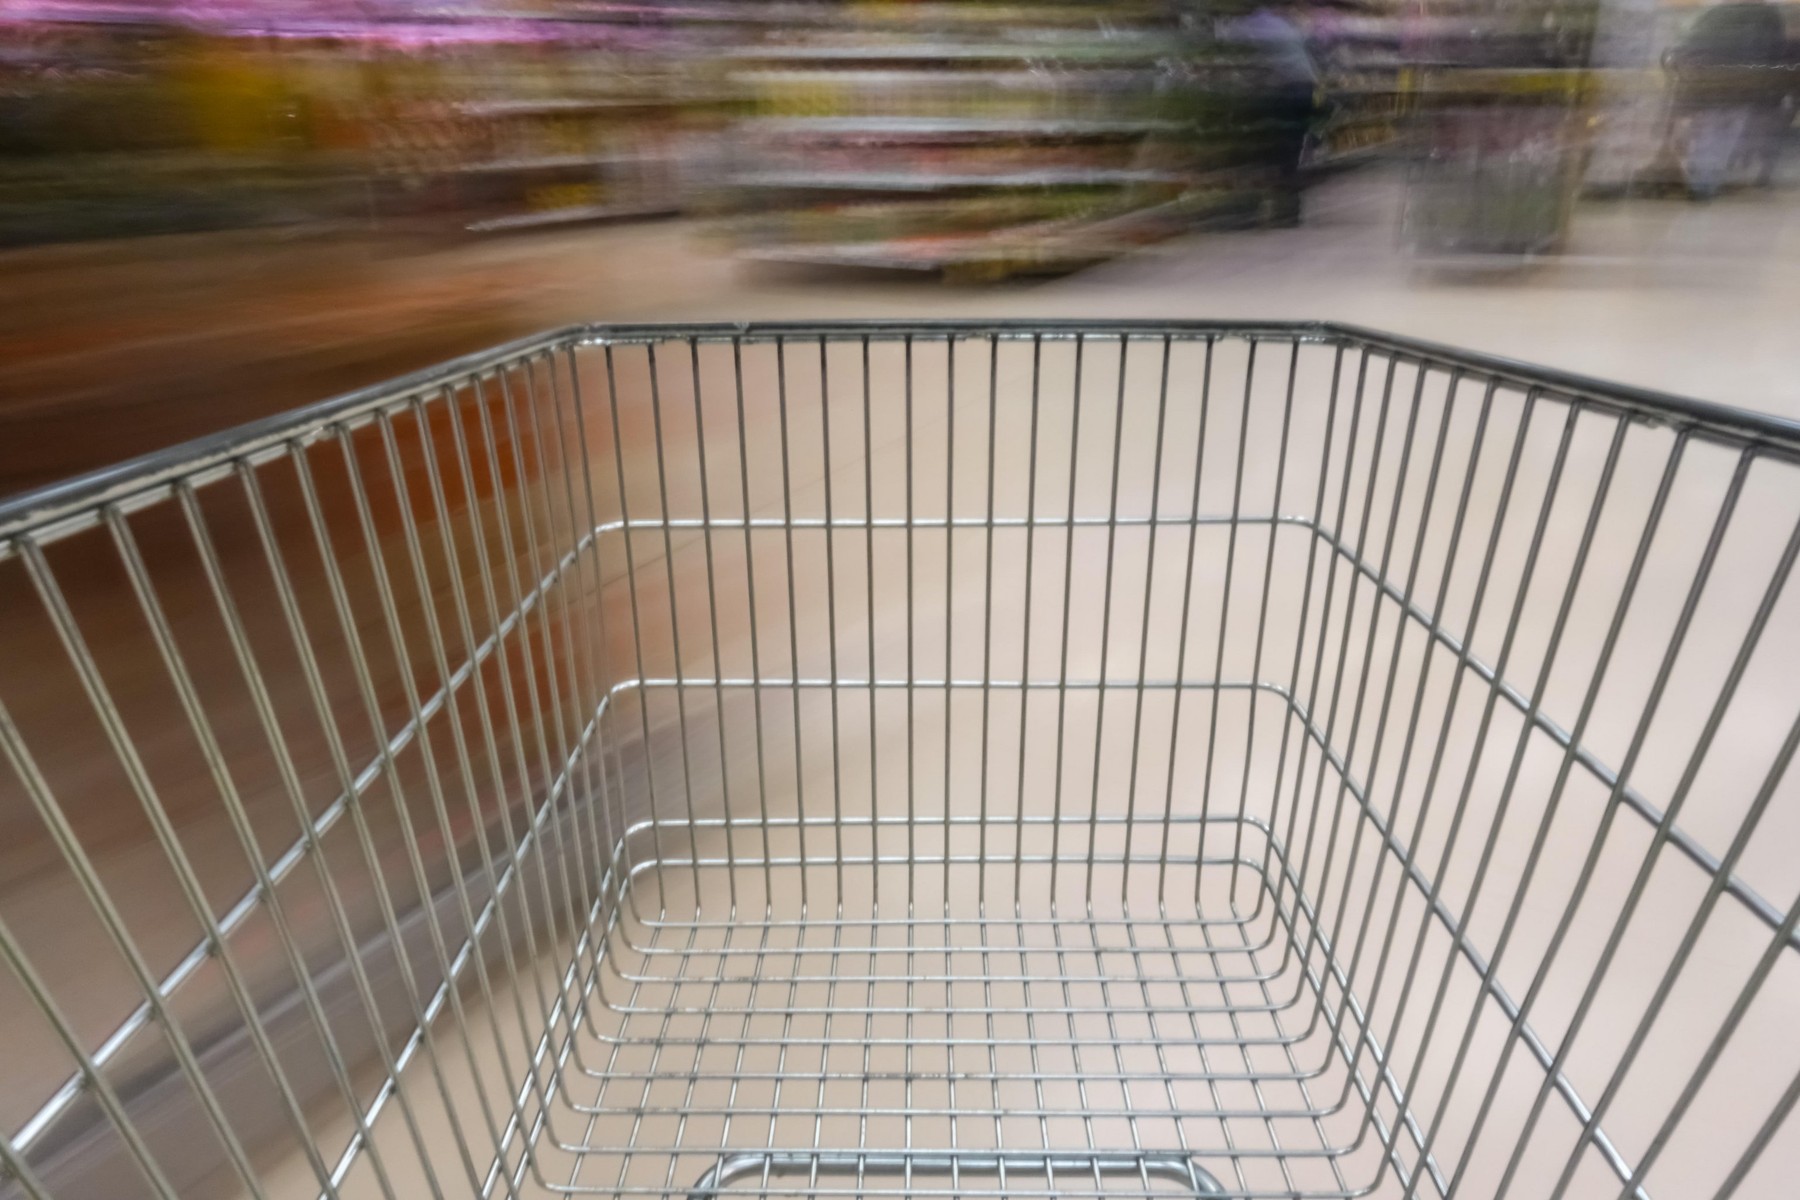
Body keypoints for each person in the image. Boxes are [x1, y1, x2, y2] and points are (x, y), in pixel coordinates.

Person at [1662, 0, 1794, 198]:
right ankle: (1704, 182)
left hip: (1706, 87)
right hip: (1740, 88)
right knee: (1721, 132)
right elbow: (1773, 55)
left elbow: (1683, 49)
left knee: (1711, 132)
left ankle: (1703, 182)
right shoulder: (1767, 16)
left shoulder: (1715, 13)